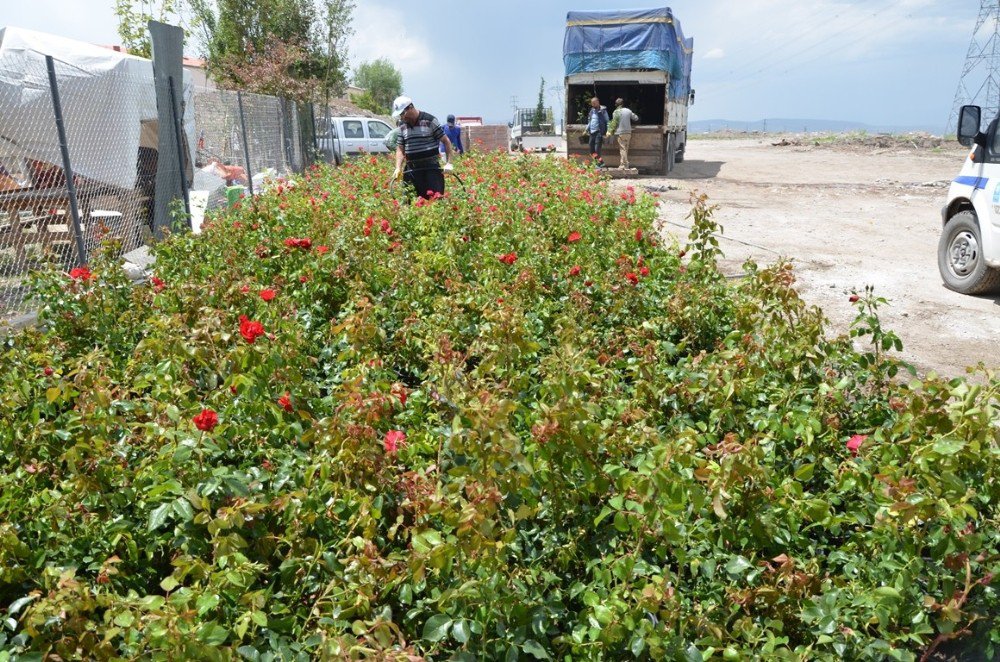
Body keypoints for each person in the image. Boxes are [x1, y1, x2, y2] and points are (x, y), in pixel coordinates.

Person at [391, 95, 454, 198]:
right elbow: (400, 149)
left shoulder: (430, 120)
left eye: (403, 113)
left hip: (431, 169)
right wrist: (398, 167)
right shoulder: (402, 125)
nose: (402, 117)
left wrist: (449, 163)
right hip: (412, 170)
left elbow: (446, 141)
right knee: (409, 203)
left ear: (410, 107)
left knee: (435, 202)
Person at [606, 98, 639, 170]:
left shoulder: (615, 112)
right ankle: (622, 164)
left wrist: (610, 131)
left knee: (622, 149)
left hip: (620, 133)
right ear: (623, 104)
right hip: (628, 132)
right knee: (625, 148)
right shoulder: (628, 111)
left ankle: (625, 164)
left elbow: (614, 123)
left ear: (616, 105)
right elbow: (636, 118)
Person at [586, 97, 609, 167]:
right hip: (592, 132)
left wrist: (608, 131)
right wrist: (586, 129)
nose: (593, 105)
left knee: (597, 149)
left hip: (599, 132)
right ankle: (600, 162)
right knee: (591, 149)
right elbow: (590, 121)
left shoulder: (603, 111)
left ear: (598, 102)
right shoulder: (592, 111)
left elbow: (607, 121)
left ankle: (598, 164)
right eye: (592, 104)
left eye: (594, 103)